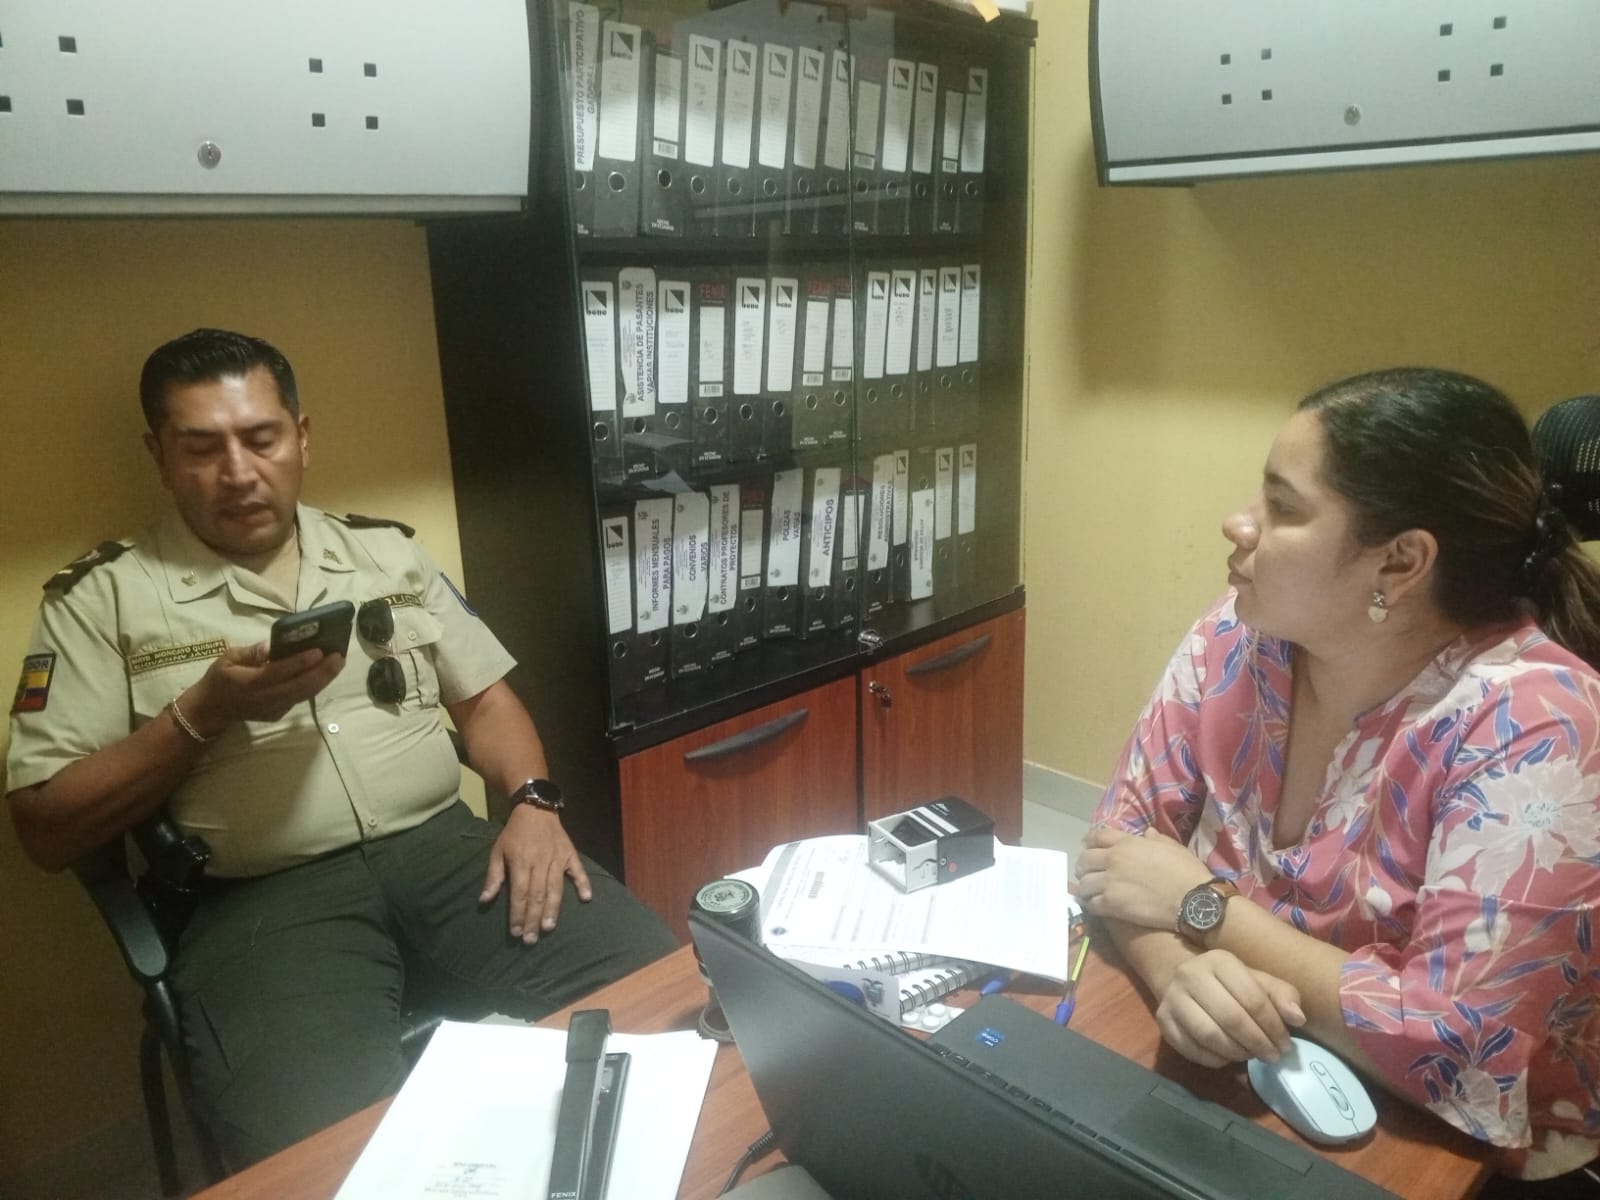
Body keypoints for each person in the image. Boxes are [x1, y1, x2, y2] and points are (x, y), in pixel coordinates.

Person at [5, 328, 676, 1169]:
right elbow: (46, 828)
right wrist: (205, 711)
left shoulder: (382, 552)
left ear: (301, 437)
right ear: (160, 456)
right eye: (202, 448)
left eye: (261, 438)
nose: (239, 472)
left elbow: (487, 701)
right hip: (265, 904)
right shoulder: (100, 599)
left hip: (448, 857)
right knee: (324, 1163)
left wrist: (534, 804)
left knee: (664, 999)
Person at [1074, 368, 1600, 1195]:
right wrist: (1179, 973)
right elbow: (1119, 853)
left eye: (1283, 508)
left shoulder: (1537, 725)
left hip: (1461, 1159)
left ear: (1400, 561)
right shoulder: (1238, 635)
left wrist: (1201, 907)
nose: (1238, 522)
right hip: (1257, 1078)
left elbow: (1456, 1044)